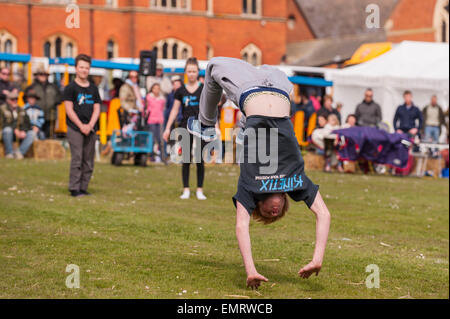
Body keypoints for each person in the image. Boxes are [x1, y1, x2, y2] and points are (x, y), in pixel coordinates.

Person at [188, 57, 331, 289]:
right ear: (284, 202)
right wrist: (317, 258)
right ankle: (235, 120)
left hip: (250, 92)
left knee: (213, 65)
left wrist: (251, 270)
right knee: (261, 114)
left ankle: (205, 124)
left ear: (258, 207)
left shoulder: (249, 188)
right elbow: (323, 214)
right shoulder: (295, 182)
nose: (274, 213)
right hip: (280, 87)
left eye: (267, 215)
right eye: (278, 214)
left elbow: (241, 226)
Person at [162, 58, 208, 200]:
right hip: (185, 126)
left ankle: (200, 189)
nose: (192, 74)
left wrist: (214, 127)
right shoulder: (180, 91)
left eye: (194, 71)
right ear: (185, 73)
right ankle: (186, 189)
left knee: (200, 159)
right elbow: (175, 110)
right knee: (186, 159)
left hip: (200, 127)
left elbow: (209, 110)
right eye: (189, 71)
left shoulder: (203, 89)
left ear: (198, 72)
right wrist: (168, 128)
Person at [63, 54, 101, 197]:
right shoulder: (70, 88)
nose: (84, 70)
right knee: (77, 158)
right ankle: (74, 188)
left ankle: (84, 187)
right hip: (75, 128)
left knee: (88, 160)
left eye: (86, 68)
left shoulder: (93, 88)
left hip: (90, 128)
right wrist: (81, 126)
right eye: (81, 67)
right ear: (76, 68)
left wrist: (90, 125)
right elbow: (68, 109)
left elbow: (97, 108)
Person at [25, 66, 62, 139]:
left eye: (45, 74)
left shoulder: (53, 86)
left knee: (49, 137)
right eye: (41, 74)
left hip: (50, 116)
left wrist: (54, 103)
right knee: (37, 136)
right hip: (36, 117)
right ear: (37, 75)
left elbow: (60, 97)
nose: (43, 76)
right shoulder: (32, 87)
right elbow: (25, 98)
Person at [0, 91, 36, 159]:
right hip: (6, 133)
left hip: (19, 134)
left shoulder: (22, 110)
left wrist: (23, 131)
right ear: (7, 100)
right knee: (7, 130)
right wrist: (14, 129)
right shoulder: (2, 109)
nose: (15, 101)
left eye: (16, 99)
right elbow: (2, 124)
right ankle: (9, 153)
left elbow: (27, 124)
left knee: (32, 133)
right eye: (12, 99)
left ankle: (19, 153)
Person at [146, 83, 166, 163]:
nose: (156, 90)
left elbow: (163, 108)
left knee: (161, 140)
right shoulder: (149, 97)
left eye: (158, 88)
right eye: (155, 88)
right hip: (151, 120)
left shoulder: (162, 99)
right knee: (152, 139)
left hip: (160, 120)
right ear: (152, 89)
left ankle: (163, 157)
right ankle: (151, 157)